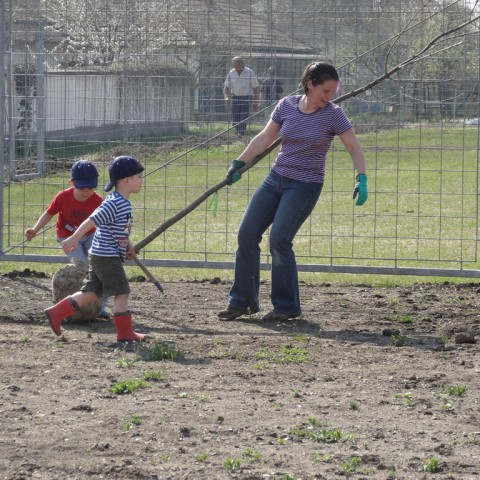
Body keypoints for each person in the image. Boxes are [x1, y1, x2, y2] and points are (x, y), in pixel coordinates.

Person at [218, 61, 368, 322]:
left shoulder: (334, 114)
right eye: (325, 92)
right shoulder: (287, 105)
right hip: (276, 178)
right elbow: (264, 138)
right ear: (310, 84)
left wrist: (361, 178)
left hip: (305, 185)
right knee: (247, 234)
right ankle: (242, 301)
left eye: (333, 92)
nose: (329, 97)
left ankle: (286, 306)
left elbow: (354, 147)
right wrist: (239, 163)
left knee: (279, 239)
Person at [44, 155, 147, 342]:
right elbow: (92, 220)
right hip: (106, 257)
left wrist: (128, 246)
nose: (142, 181)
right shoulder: (114, 202)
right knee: (122, 291)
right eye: (139, 177)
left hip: (104, 255)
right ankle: (124, 333)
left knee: (91, 293)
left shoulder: (121, 202)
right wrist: (75, 238)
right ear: (126, 180)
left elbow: (119, 231)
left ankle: (56, 313)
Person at [25, 159, 110, 318]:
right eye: (82, 187)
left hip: (90, 235)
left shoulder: (98, 201)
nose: (87, 191)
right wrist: (35, 229)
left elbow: (104, 222)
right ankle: (73, 302)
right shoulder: (62, 197)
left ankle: (100, 306)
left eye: (91, 187)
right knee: (81, 266)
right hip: (67, 237)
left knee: (98, 267)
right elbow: (49, 213)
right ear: (72, 183)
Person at [224, 56, 260, 136]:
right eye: (234, 64)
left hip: (246, 97)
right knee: (234, 117)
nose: (236, 66)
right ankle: (238, 130)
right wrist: (226, 96)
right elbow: (226, 87)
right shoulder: (231, 73)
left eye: (237, 64)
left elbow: (255, 87)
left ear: (242, 64)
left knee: (244, 115)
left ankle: (241, 132)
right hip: (235, 97)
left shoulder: (250, 72)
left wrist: (256, 101)